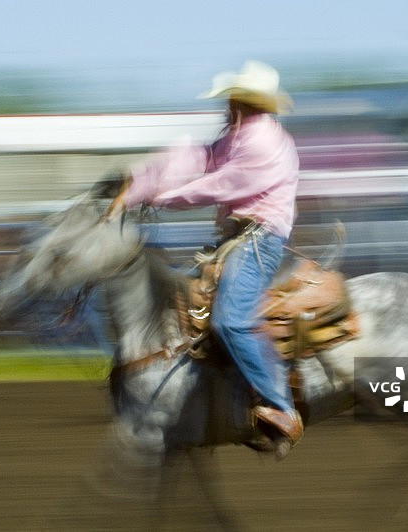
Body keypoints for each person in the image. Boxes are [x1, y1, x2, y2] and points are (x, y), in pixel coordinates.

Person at [112, 60, 303, 455]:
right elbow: (195, 159)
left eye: (231, 98)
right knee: (182, 310)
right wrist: (138, 181)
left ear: (239, 100)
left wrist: (161, 197)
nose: (227, 105)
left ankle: (283, 408)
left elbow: (222, 183)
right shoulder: (237, 136)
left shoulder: (264, 141)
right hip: (239, 238)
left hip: (259, 241)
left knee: (231, 320)